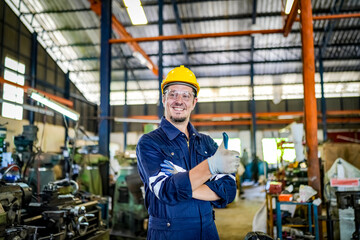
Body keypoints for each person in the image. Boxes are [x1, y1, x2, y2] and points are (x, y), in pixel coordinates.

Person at [136, 65, 240, 240]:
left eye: (186, 95)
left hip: (207, 231)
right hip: (168, 234)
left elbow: (228, 191)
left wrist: (182, 179)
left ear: (194, 102)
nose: (179, 100)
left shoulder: (206, 143)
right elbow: (166, 190)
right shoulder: (149, 143)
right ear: (164, 99)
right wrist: (211, 167)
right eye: (173, 94)